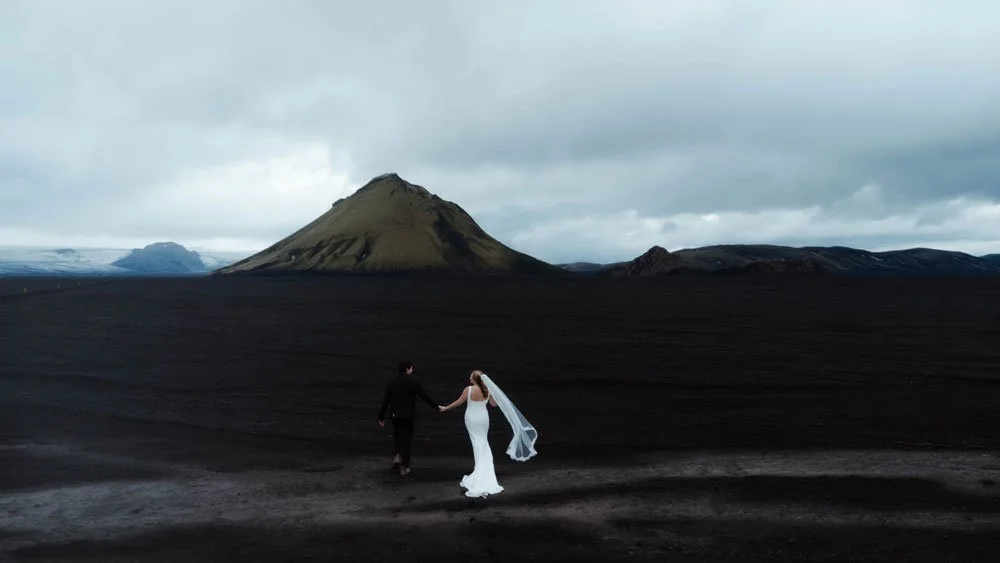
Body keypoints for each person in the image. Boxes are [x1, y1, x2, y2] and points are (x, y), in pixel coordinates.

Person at [440, 370, 538, 497]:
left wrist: (445, 408)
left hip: (471, 419)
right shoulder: (487, 390)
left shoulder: (468, 390)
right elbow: (494, 405)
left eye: (471, 375)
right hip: (483, 419)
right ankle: (484, 473)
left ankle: (480, 474)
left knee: (477, 445)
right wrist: (493, 392)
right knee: (483, 443)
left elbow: (458, 402)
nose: (469, 376)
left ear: (475, 379)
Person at [377, 360, 441, 477]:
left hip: (394, 415)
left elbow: (386, 402)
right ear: (408, 369)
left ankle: (397, 455)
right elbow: (425, 396)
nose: (412, 369)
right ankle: (405, 467)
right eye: (411, 368)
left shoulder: (392, 383)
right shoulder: (413, 383)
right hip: (408, 416)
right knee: (406, 439)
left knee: (397, 434)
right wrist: (437, 407)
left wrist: (381, 417)